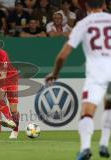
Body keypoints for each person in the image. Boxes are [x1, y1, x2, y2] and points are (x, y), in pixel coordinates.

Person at [45, 0, 111, 159]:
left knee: (87, 112)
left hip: (96, 73)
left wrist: (54, 73)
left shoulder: (84, 23)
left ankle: (86, 148)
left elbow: (62, 56)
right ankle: (103, 143)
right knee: (109, 105)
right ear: (104, 5)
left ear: (87, 7)